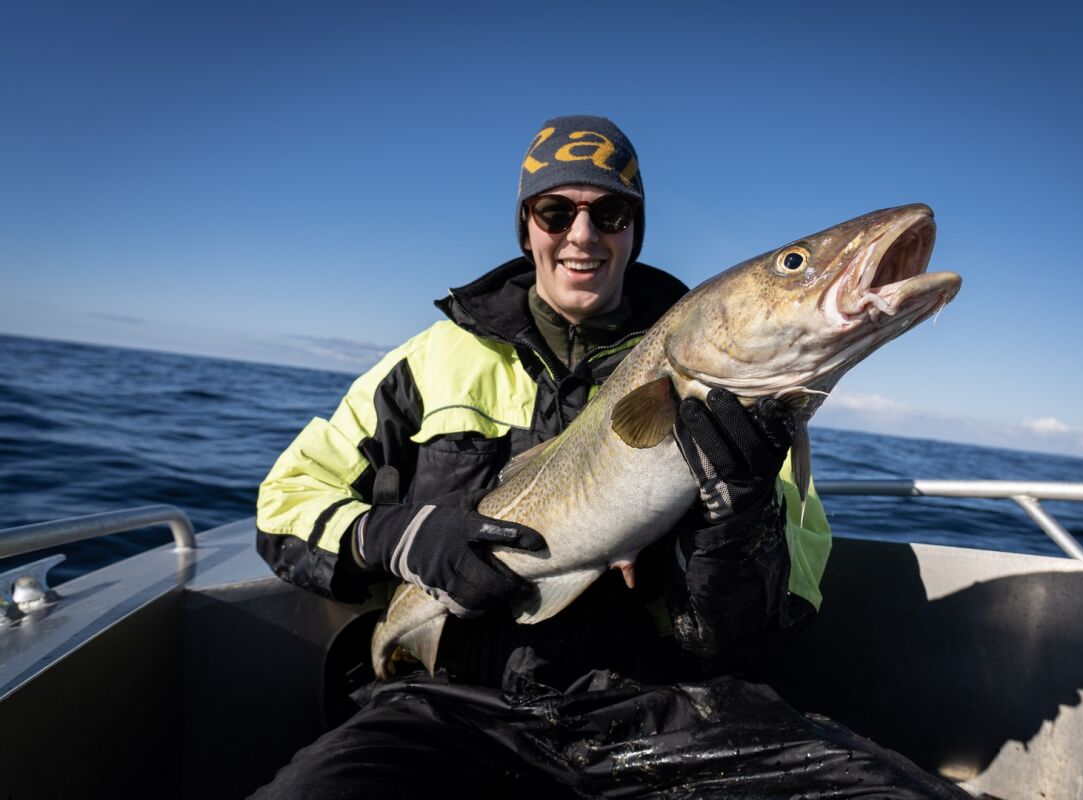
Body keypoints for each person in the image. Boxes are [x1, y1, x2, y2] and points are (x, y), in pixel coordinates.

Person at [252, 116, 969, 799]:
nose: (582, 235)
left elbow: (771, 621)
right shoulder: (427, 364)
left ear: (634, 230)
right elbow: (284, 506)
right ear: (527, 226)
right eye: (554, 212)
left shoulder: (763, 418)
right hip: (454, 706)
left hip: (660, 707)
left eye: (611, 213)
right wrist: (401, 537)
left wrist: (736, 521)